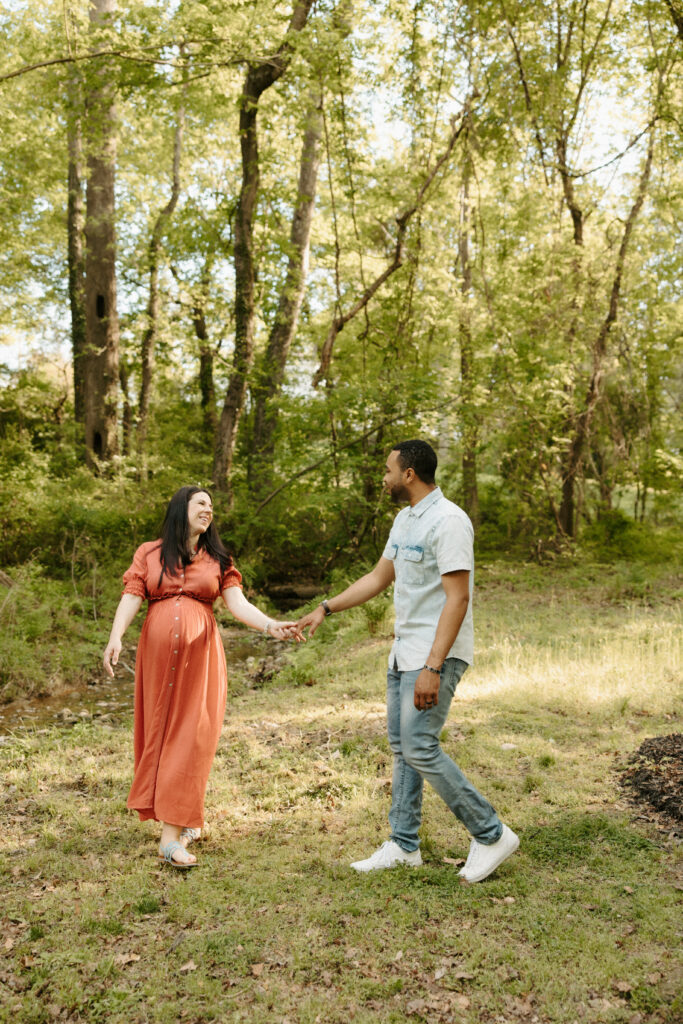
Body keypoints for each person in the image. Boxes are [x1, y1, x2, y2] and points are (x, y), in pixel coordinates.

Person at [297, 441, 519, 884]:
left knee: (419, 746)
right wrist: (325, 607)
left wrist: (433, 667)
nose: (385, 477)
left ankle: (491, 834)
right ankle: (403, 845)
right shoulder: (405, 519)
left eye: (388, 470)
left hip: (435, 655)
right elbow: (380, 577)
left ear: (410, 474)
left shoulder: (450, 522)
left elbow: (458, 599)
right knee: (403, 748)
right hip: (404, 652)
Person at [104, 486, 302, 868]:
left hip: (201, 660)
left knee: (192, 737)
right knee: (161, 733)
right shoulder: (149, 552)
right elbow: (132, 595)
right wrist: (115, 636)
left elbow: (237, 603)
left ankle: (170, 838)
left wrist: (271, 626)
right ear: (181, 508)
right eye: (201, 503)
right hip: (158, 661)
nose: (208, 510)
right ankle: (179, 824)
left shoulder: (218, 558)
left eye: (212, 506)